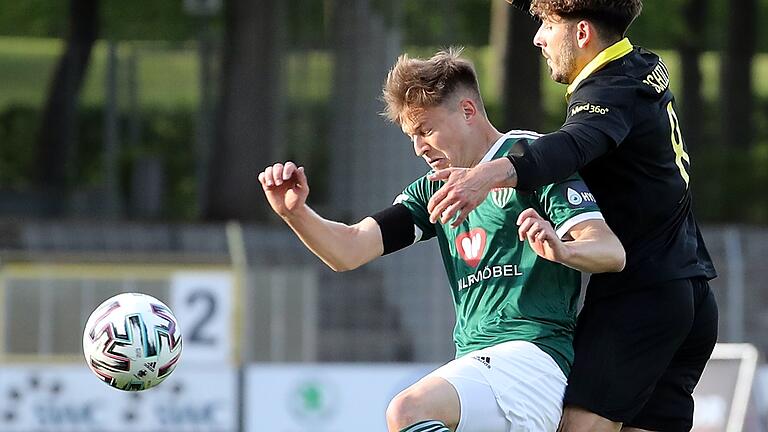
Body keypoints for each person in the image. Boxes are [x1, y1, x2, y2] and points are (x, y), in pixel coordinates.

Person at [258, 48, 625, 432]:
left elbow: (609, 251)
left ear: (468, 111)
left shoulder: (533, 159)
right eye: (411, 136)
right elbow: (349, 249)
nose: (419, 147)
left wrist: (562, 249)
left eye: (426, 130)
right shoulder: (434, 190)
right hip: (480, 369)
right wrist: (295, 213)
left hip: (531, 360)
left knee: (408, 411)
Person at [425, 1, 719, 431]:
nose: (537, 37)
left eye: (545, 25)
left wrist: (488, 174)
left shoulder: (607, 89)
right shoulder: (642, 66)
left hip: (640, 296)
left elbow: (571, 144)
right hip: (687, 292)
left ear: (582, 34)